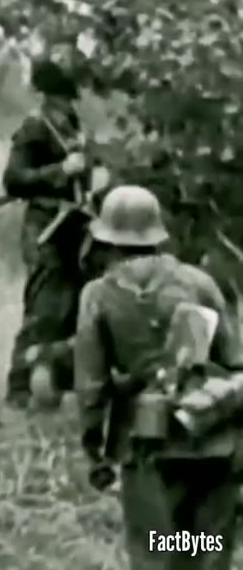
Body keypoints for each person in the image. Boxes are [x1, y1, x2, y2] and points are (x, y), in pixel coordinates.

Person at [75, 185, 242, 570]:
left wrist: (95, 451)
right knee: (207, 548)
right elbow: (235, 362)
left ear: (107, 239)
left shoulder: (97, 296)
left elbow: (91, 387)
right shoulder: (199, 282)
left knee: (157, 550)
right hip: (211, 436)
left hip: (147, 443)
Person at [0, 59, 95, 409]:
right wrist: (60, 170)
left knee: (73, 306)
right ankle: (20, 389)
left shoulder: (73, 126)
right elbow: (13, 179)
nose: (69, 103)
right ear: (50, 96)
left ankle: (55, 384)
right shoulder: (34, 128)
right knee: (44, 307)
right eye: (63, 97)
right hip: (45, 226)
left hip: (76, 226)